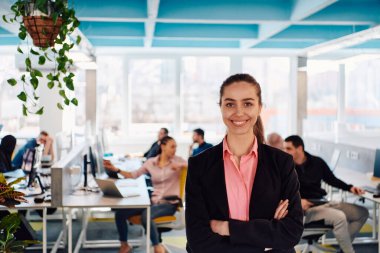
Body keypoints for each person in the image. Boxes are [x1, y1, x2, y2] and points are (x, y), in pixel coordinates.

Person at [185, 73, 303, 253]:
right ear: (221, 108)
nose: (238, 112)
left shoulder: (282, 162)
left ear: (260, 107)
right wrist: (265, 235)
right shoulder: (199, 165)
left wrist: (227, 228)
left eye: (247, 103)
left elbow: (291, 232)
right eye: (230, 104)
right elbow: (198, 240)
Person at [283, 135, 369, 253]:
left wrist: (350, 188)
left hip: (322, 202)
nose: (284, 152)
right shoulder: (286, 167)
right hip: (304, 210)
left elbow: (331, 179)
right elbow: (281, 192)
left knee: (362, 213)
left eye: (288, 148)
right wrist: (298, 202)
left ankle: (344, 247)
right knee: (339, 217)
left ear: (300, 148)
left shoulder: (317, 162)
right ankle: (349, 251)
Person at [104, 136, 187, 253]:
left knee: (146, 215)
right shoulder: (150, 163)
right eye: (172, 147)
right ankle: (124, 245)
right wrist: (116, 169)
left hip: (169, 203)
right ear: (163, 146)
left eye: (176, 147)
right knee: (120, 214)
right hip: (153, 202)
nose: (175, 150)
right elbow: (133, 175)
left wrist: (181, 166)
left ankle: (157, 247)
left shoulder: (178, 160)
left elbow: (194, 167)